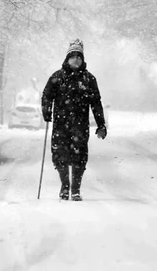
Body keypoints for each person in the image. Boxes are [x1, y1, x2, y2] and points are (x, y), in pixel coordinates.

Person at [42, 38, 107, 201]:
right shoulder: (57, 77)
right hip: (61, 124)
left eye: (79, 56)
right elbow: (47, 95)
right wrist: (46, 109)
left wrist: (101, 124)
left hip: (80, 125)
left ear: (82, 59)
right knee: (60, 155)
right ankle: (64, 186)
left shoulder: (89, 79)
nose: (76, 59)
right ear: (67, 58)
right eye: (73, 56)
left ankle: (75, 188)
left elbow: (96, 103)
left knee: (79, 157)